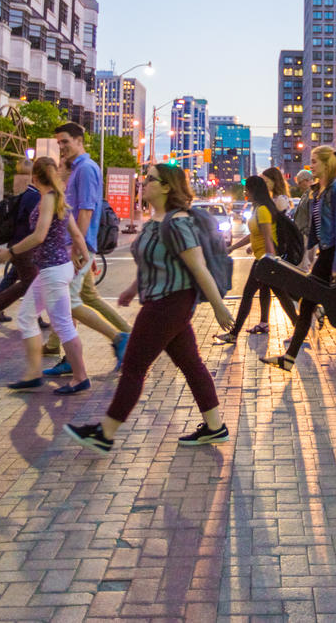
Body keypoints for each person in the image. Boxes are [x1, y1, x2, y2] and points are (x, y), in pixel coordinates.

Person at [66, 164, 234, 452]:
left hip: (168, 304)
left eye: (150, 179)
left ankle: (105, 433)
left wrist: (219, 307)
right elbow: (152, 263)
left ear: (167, 187)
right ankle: (215, 427)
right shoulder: (157, 220)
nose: (144, 183)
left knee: (133, 367)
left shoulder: (178, 222)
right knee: (191, 364)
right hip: (162, 301)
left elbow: (199, 267)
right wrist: (132, 289)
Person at [0, 157, 91, 394]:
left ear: (34, 177)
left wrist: (10, 252)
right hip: (53, 269)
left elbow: (39, 235)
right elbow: (76, 234)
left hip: (53, 271)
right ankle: (33, 374)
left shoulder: (48, 199)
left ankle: (80, 377)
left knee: (64, 324)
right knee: (27, 317)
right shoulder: (59, 199)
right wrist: (85, 257)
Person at [42, 123, 130, 374]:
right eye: (59, 143)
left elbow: (86, 210)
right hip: (75, 244)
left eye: (66, 142)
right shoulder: (76, 169)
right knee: (86, 297)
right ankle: (68, 353)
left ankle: (119, 338)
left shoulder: (87, 169)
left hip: (78, 246)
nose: (62, 147)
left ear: (80, 140)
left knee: (68, 301)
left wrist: (78, 246)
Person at [263, 146, 336, 370]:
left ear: (326, 164)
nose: (310, 165)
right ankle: (289, 358)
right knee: (308, 304)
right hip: (327, 253)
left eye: (314, 161)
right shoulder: (321, 190)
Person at [219, 174, 294, 343]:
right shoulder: (258, 208)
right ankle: (299, 328)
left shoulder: (263, 210)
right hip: (263, 259)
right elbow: (254, 235)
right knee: (282, 295)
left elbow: (268, 238)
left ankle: (233, 334)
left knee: (249, 295)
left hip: (264, 261)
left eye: (247, 189)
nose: (245, 192)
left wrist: (270, 263)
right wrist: (232, 247)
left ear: (254, 190)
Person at [0, 172, 41, 329]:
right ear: (36, 179)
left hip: (21, 247)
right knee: (32, 283)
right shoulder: (34, 197)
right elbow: (36, 227)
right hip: (24, 247)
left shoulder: (29, 195)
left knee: (19, 279)